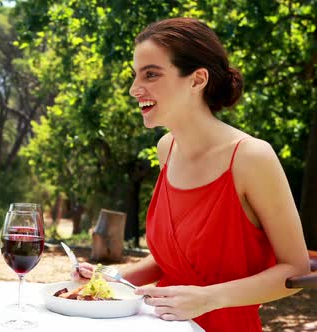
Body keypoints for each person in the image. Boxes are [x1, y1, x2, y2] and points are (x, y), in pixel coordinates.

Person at [72, 17, 310, 332]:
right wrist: (108, 278)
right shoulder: (166, 148)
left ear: (197, 80)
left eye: (151, 74)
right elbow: (176, 260)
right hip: (159, 324)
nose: (133, 89)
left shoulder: (252, 157)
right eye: (135, 75)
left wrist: (210, 298)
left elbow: (295, 272)